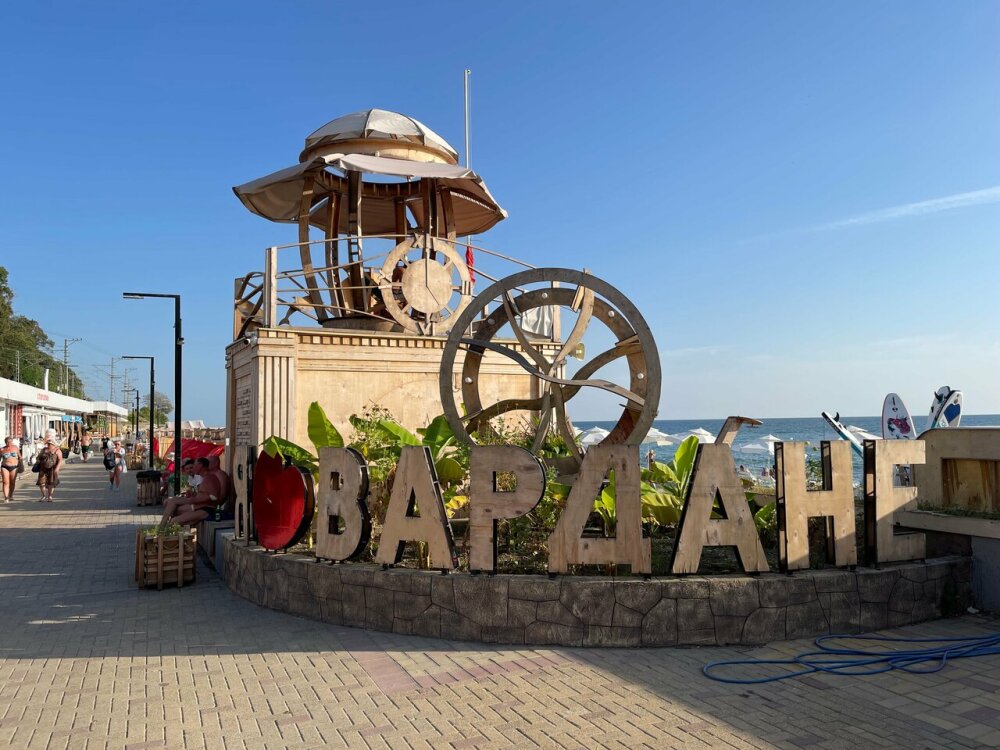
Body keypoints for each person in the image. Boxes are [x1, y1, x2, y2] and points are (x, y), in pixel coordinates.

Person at [159, 458, 222, 528]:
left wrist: (191, 500)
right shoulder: (205, 477)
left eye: (194, 465)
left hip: (207, 510)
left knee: (174, 518)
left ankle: (161, 528)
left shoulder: (209, 478)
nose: (193, 468)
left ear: (200, 465)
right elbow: (202, 495)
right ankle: (161, 528)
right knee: (172, 507)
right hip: (200, 506)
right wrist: (190, 495)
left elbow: (214, 497)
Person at [35, 436, 63, 502]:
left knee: (51, 483)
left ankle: (50, 496)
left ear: (53, 444)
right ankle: (43, 495)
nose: (48, 445)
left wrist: (57, 468)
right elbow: (38, 457)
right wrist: (38, 456)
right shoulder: (44, 449)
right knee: (41, 483)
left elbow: (60, 460)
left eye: (50, 444)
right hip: (43, 468)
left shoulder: (57, 450)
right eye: (48, 443)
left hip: (52, 468)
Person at [1, 436, 23, 502]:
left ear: (12, 442)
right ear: (5, 442)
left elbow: (20, 457)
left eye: (10, 442)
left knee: (12, 482)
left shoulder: (15, 447)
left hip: (14, 467)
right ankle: (6, 497)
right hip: (5, 466)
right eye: (7, 442)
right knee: (5, 482)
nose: (8, 443)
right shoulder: (2, 449)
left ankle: (10, 495)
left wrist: (21, 465)